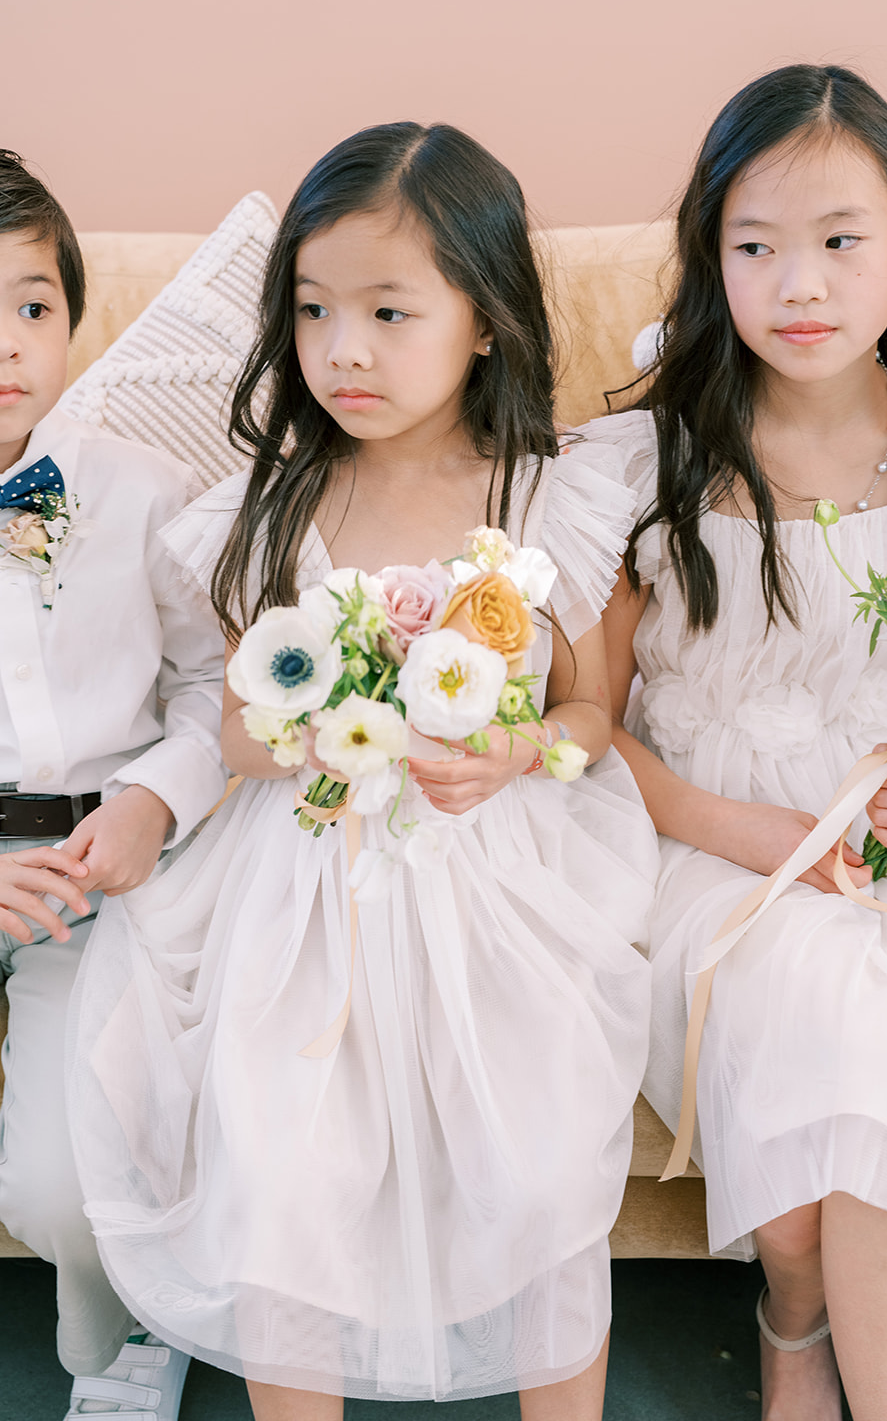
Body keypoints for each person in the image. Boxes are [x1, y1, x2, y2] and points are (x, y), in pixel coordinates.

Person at [67, 122, 657, 1420]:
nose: (344, 349)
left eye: (391, 312)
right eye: (316, 310)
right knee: (289, 1174)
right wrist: (307, 725)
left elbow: (591, 721)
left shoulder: (546, 499)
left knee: (538, 1167)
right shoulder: (266, 504)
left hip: (501, 873)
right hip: (299, 882)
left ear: (487, 320)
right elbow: (228, 726)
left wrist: (513, 749)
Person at [584, 64, 887, 1421]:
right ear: (713, 260)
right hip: (702, 839)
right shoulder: (637, 457)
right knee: (802, 1016)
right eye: (756, 246)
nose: (803, 285)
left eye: (840, 242)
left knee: (883, 1054)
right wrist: (754, 833)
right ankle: (790, 1319)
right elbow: (587, 729)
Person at [0, 149, 225, 1420]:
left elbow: (214, 687)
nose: (9, 345)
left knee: (53, 1181)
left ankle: (121, 1340)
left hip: (85, 877)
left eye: (32, 306)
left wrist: (154, 799)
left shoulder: (134, 492)